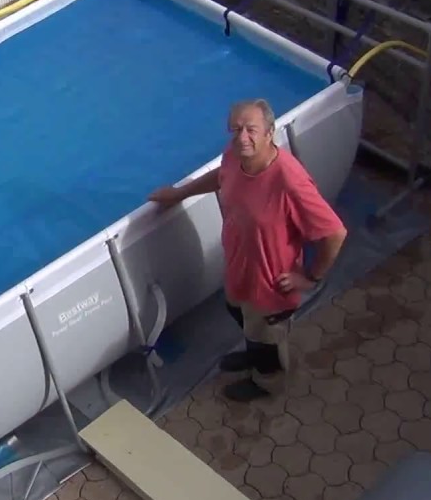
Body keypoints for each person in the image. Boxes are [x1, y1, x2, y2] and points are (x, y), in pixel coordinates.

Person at [148, 99, 348, 402]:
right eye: (237, 129)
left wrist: (311, 276)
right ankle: (253, 352)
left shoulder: (289, 181)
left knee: (267, 341)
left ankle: (267, 381)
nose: (243, 137)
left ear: (270, 132)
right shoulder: (234, 157)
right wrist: (178, 194)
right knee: (239, 314)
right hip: (240, 268)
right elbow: (222, 176)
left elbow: (335, 232)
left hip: (270, 286)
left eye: (251, 130)